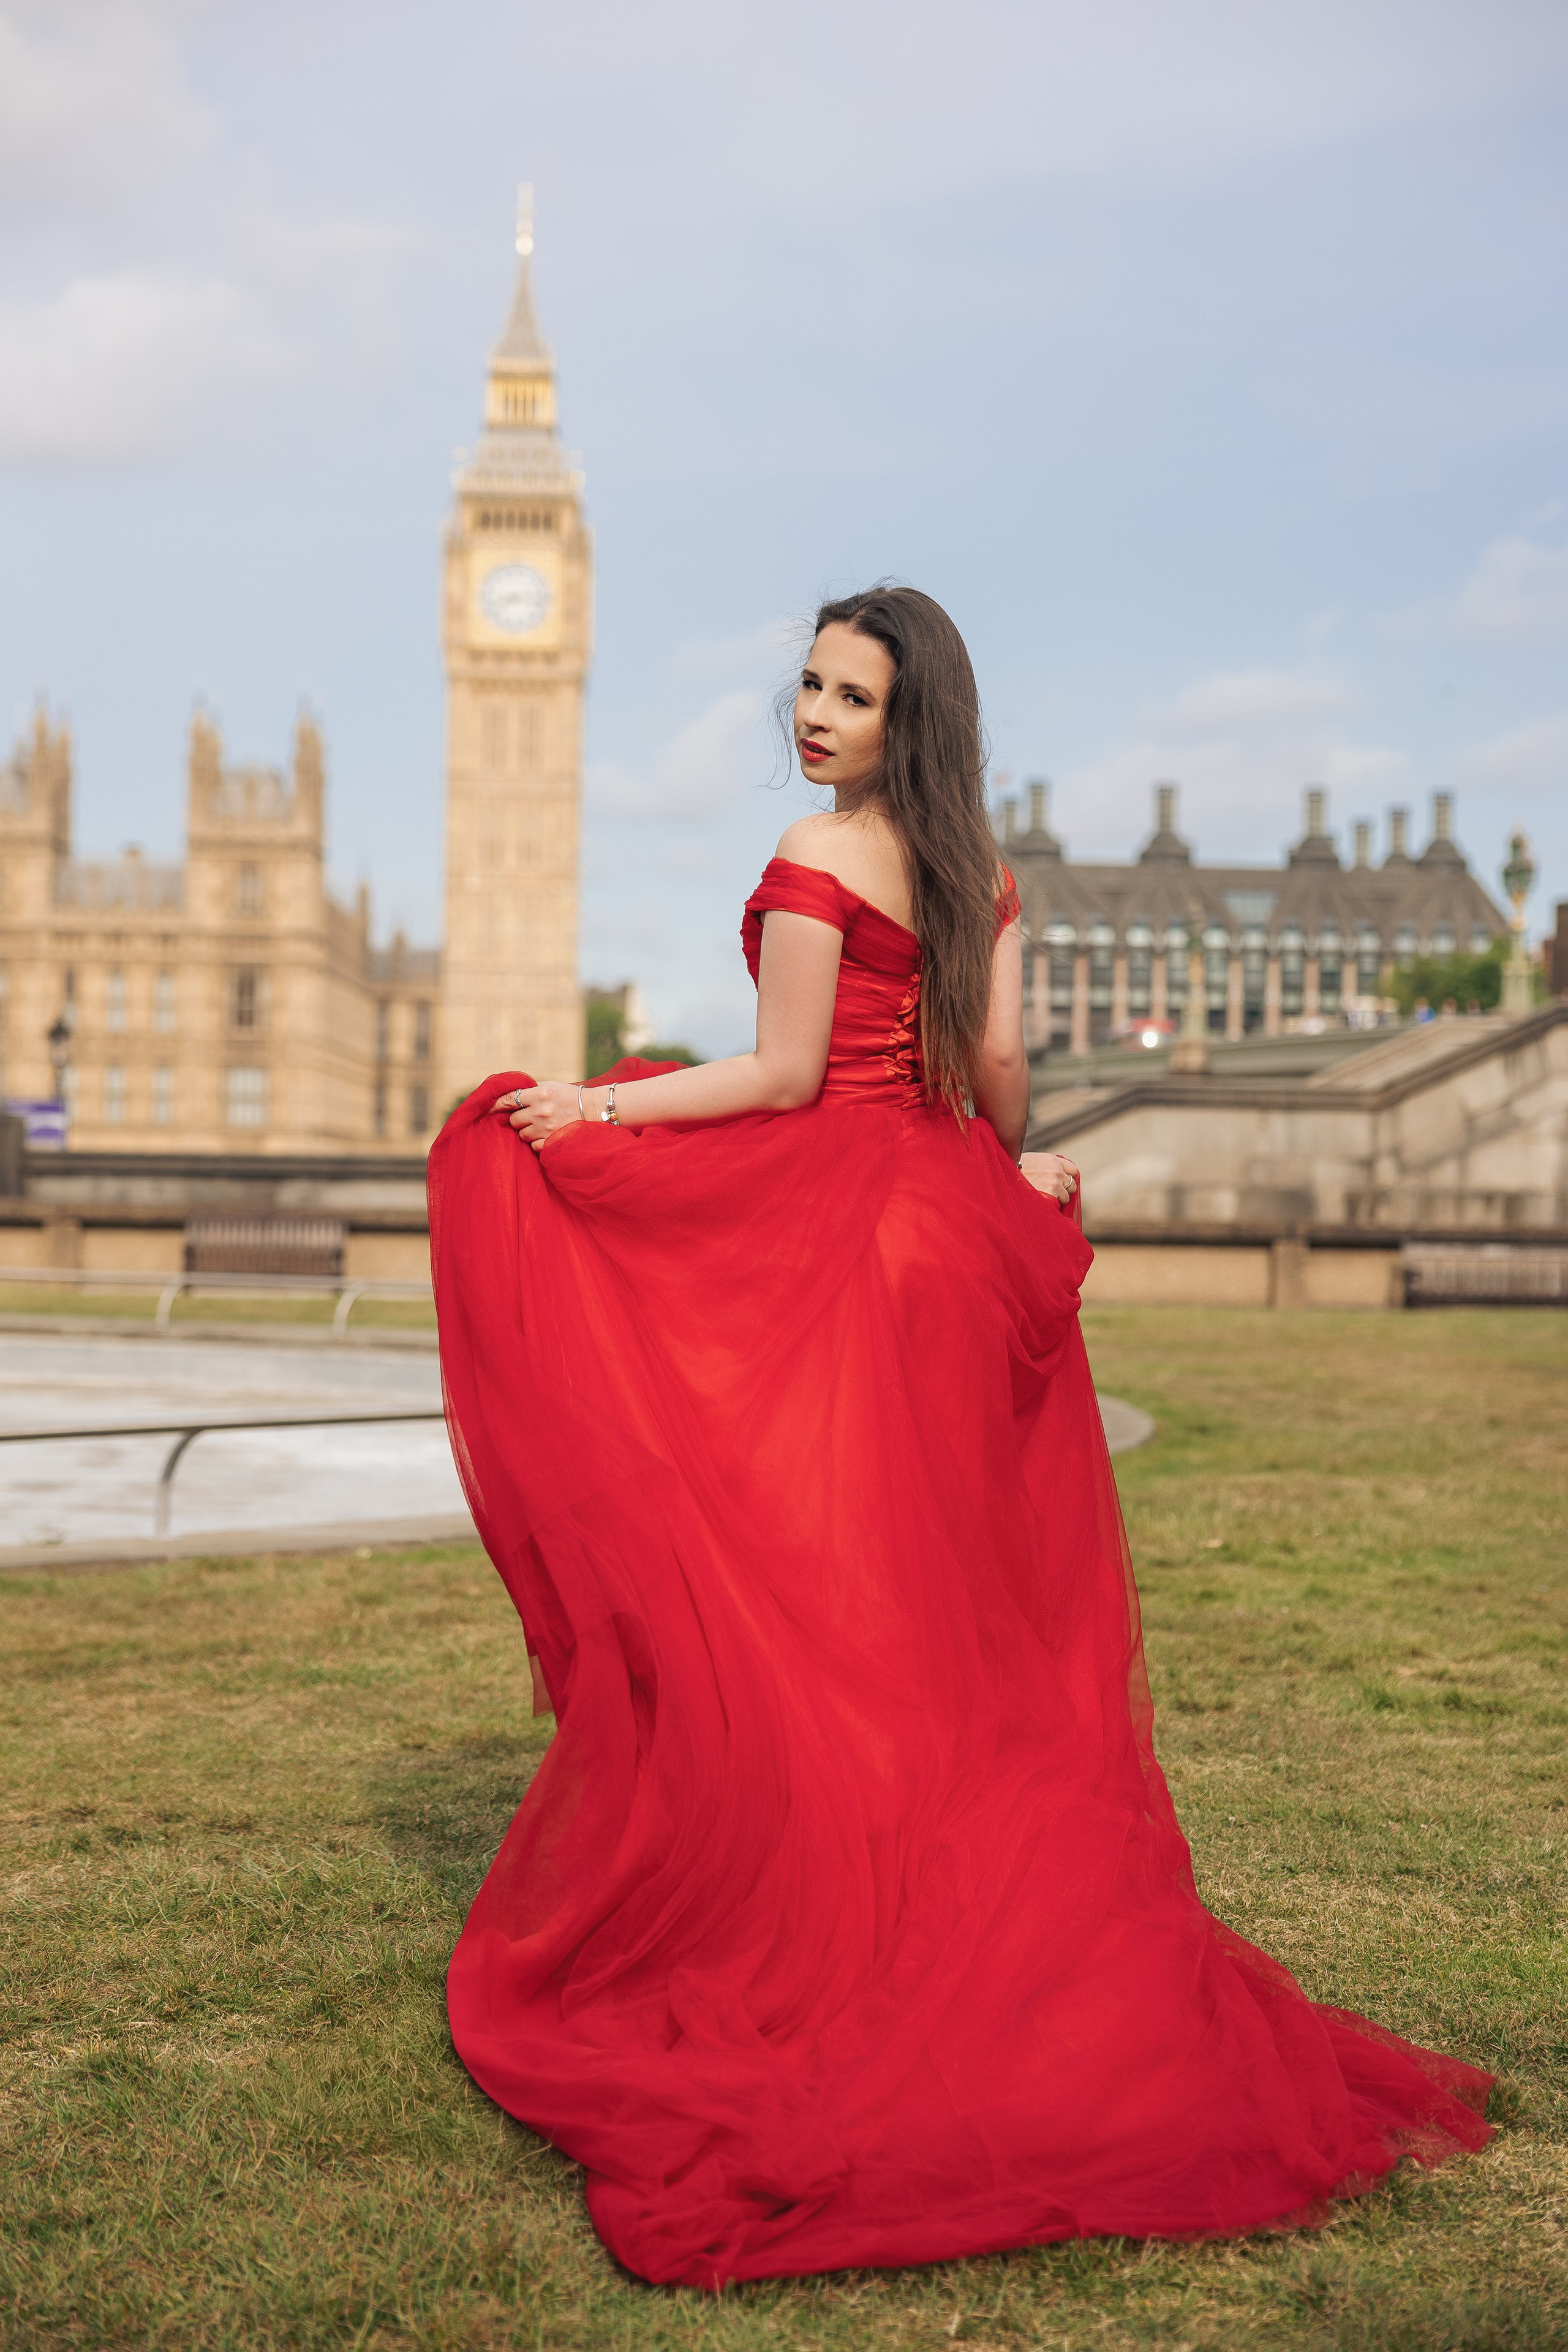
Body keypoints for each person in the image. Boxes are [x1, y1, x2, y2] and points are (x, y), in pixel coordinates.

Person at [428, 586, 1492, 2291]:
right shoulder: (983, 873)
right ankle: (965, 1901)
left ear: (900, 718)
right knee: (949, 1609)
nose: (813, 713)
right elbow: (994, 1082)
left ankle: (839, 1916)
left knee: (812, 1584)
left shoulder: (815, 856)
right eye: (808, 684)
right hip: (952, 1238)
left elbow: (784, 1080)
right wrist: (1007, 1165)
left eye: (848, 695)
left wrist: (600, 1101)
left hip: (846, 1248)